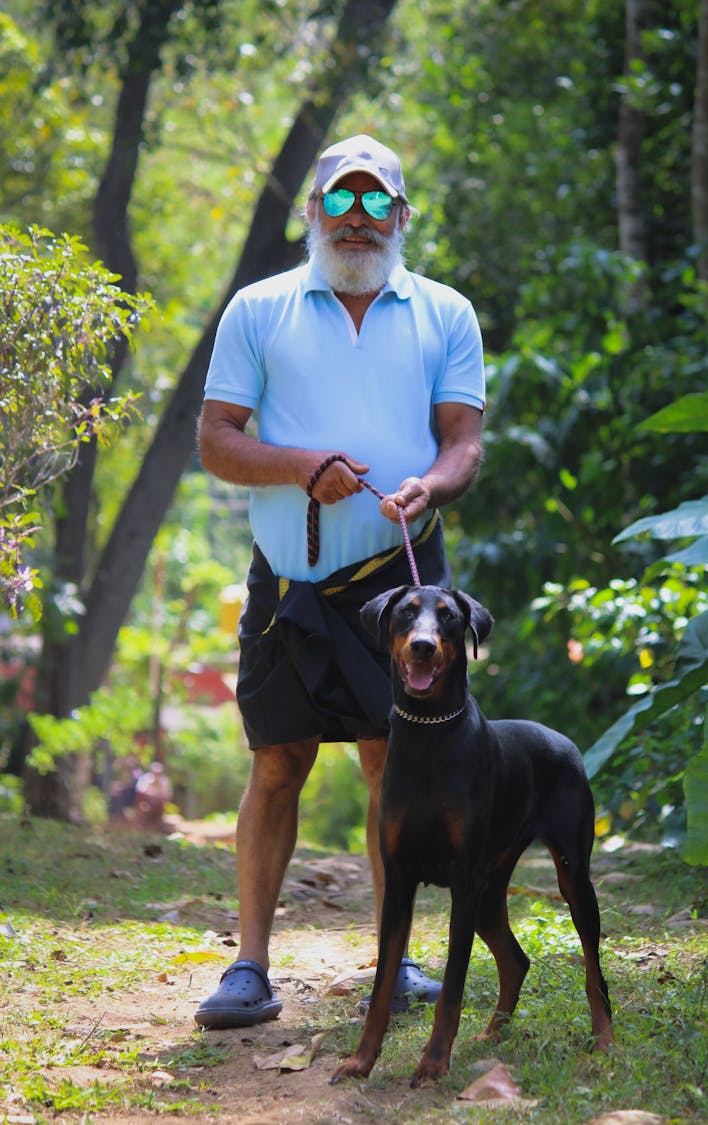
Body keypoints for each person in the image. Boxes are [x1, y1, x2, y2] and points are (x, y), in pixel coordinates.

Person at [195, 134, 485, 1029]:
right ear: (313, 211)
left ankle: (391, 964)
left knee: (388, 764)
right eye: (341, 201)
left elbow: (463, 443)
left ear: (401, 217)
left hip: (402, 586)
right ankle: (249, 967)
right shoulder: (259, 307)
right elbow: (215, 439)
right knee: (276, 762)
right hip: (289, 582)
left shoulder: (446, 312)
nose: (357, 220)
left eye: (375, 204)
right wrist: (297, 466)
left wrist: (429, 486)